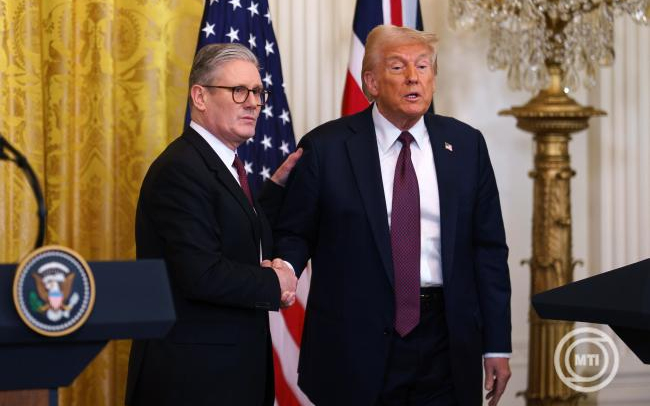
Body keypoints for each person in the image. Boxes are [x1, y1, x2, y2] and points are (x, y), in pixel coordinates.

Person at [273, 25, 512, 406]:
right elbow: (295, 232)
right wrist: (286, 268)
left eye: (423, 66)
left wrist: (496, 344)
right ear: (371, 82)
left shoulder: (467, 145)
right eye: (399, 67)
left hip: (446, 341)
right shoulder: (326, 147)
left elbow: (489, 250)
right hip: (355, 341)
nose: (414, 77)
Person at [125, 43, 300, 406]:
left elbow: (238, 235)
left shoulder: (223, 165)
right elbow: (201, 273)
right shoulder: (180, 169)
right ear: (200, 97)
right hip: (192, 381)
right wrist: (276, 282)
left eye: (258, 92)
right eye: (239, 91)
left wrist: (273, 193)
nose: (253, 103)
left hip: (230, 375)